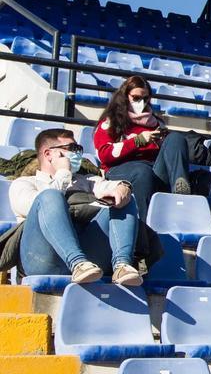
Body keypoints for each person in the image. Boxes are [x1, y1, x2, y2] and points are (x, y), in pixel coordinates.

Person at [9, 129, 142, 285]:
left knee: (123, 198)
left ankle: (122, 266)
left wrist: (122, 187)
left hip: (90, 255)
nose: (78, 154)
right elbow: (34, 207)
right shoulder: (23, 184)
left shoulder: (86, 180)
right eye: (72, 149)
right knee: (49, 196)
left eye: (79, 149)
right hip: (43, 258)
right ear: (48, 154)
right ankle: (77, 263)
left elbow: (110, 187)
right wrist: (63, 173)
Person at [93, 75, 193, 218]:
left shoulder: (155, 123)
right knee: (142, 172)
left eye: (145, 98)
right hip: (121, 168)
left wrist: (160, 142)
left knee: (175, 138)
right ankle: (145, 224)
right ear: (125, 96)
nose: (142, 102)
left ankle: (180, 192)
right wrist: (138, 141)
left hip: (153, 168)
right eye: (136, 98)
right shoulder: (110, 122)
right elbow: (104, 154)